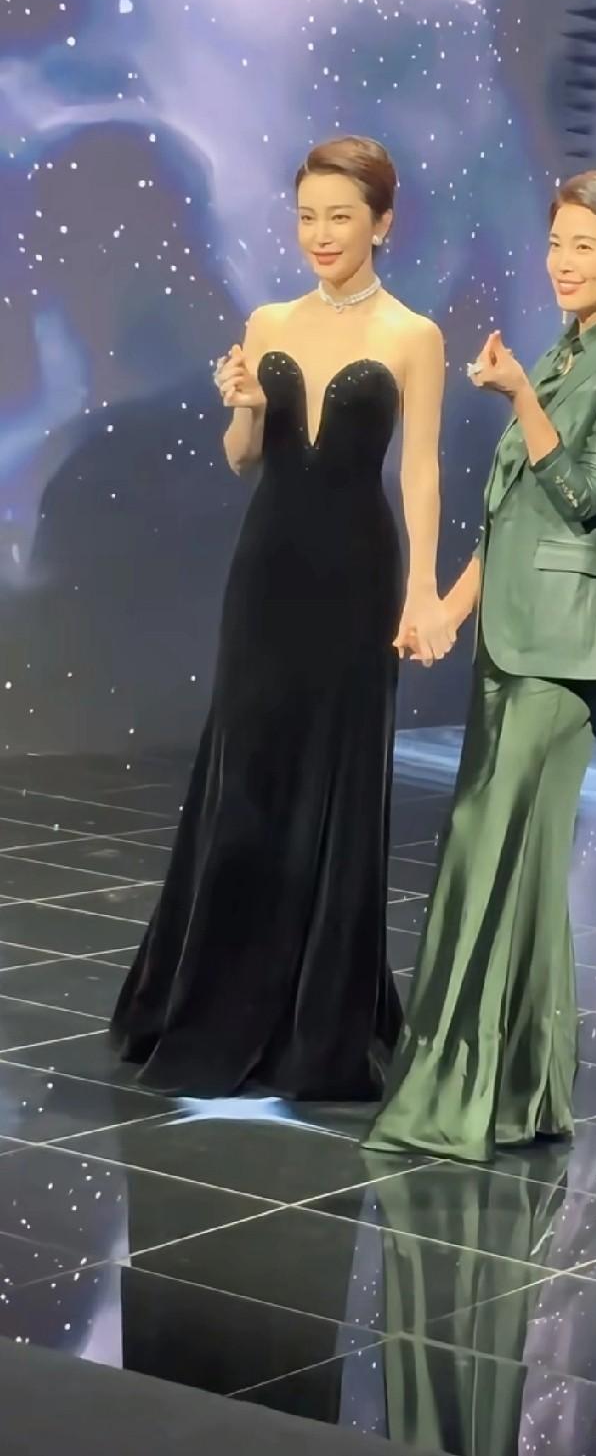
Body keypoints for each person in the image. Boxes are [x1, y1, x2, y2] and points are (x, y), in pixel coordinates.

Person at [110, 135, 453, 1099]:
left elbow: (420, 471)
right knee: (249, 774)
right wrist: (246, 408)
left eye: (341, 216)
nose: (321, 234)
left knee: (338, 775)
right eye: (307, 217)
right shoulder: (267, 319)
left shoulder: (413, 334)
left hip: (358, 578)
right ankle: (217, 999)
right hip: (266, 575)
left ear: (382, 223)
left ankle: (318, 1017)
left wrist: (424, 589)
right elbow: (240, 458)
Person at [365, 169, 596, 1162]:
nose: (562, 263)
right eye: (555, 243)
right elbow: (508, 518)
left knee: (485, 851)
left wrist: (522, 403)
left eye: (584, 246)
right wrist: (445, 611)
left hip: (561, 657)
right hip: (508, 639)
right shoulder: (557, 354)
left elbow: (584, 497)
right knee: (518, 870)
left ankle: (455, 1096)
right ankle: (521, 1090)